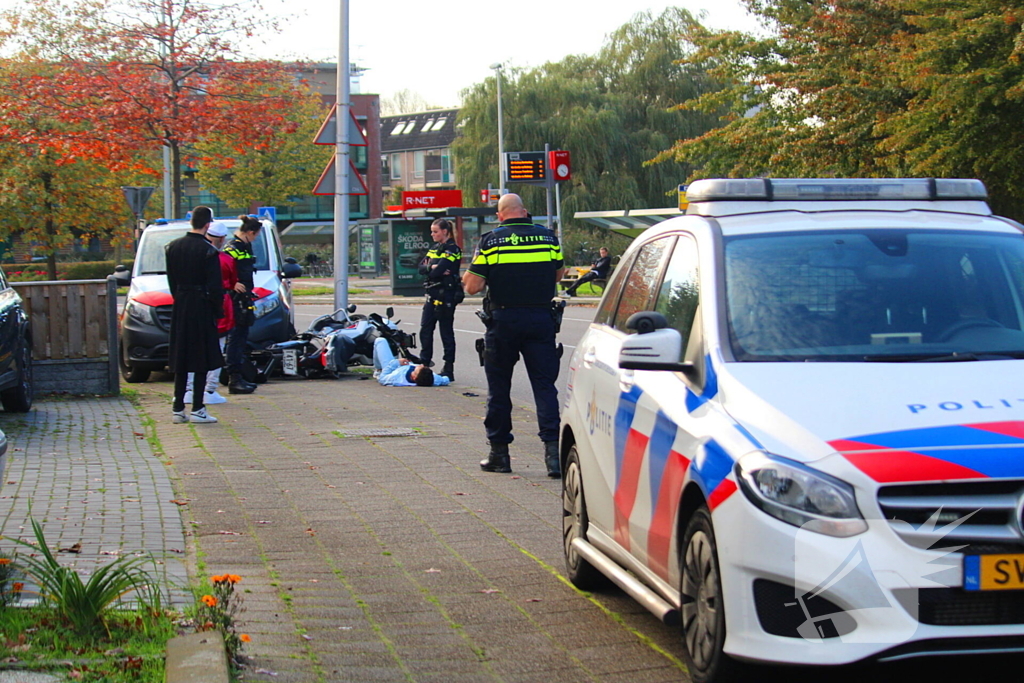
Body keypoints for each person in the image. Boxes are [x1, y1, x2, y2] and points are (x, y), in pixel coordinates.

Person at [462, 193, 564, 477]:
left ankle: (499, 455)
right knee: (545, 387)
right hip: (541, 319)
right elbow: (558, 275)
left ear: (500, 215)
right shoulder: (548, 238)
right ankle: (553, 457)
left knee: (499, 389)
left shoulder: (491, 241)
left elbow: (472, 286)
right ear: (525, 211)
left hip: (504, 320)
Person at [165, 206, 224, 424]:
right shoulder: (208, 251)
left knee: (181, 356)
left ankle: (178, 408)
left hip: (181, 305)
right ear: (208, 224)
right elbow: (215, 286)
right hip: (201, 306)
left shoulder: (173, 247)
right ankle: (198, 407)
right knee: (202, 357)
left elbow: (171, 280)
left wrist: (179, 298)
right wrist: (216, 309)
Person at [184, 221, 237, 405]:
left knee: (194, 349)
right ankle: (209, 389)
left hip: (195, 306)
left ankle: (189, 389)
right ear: (222, 239)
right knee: (217, 349)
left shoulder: (192, 255)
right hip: (220, 305)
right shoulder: (225, 259)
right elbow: (231, 282)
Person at [418, 218, 462, 381]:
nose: (432, 234)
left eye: (435, 231)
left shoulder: (453, 249)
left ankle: (448, 368)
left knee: (446, 332)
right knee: (425, 329)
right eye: (432, 231)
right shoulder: (435, 248)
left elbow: (440, 270)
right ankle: (424, 364)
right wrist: (432, 267)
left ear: (445, 231)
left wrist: (434, 269)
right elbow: (421, 267)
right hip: (432, 294)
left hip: (446, 295)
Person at [224, 216, 262, 394]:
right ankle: (234, 378)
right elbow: (222, 269)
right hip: (235, 299)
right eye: (255, 235)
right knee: (236, 339)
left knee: (240, 338)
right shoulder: (232, 248)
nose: (255, 238)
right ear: (250, 232)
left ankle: (239, 376)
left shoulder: (245, 246)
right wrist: (231, 284)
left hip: (244, 297)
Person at [371, 337, 450, 387]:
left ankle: (379, 370)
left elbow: (382, 379)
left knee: (380, 341)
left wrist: (396, 363)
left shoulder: (397, 378)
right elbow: (445, 380)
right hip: (405, 364)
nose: (421, 365)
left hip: (392, 368)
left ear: (414, 377)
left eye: (419, 368)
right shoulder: (433, 379)